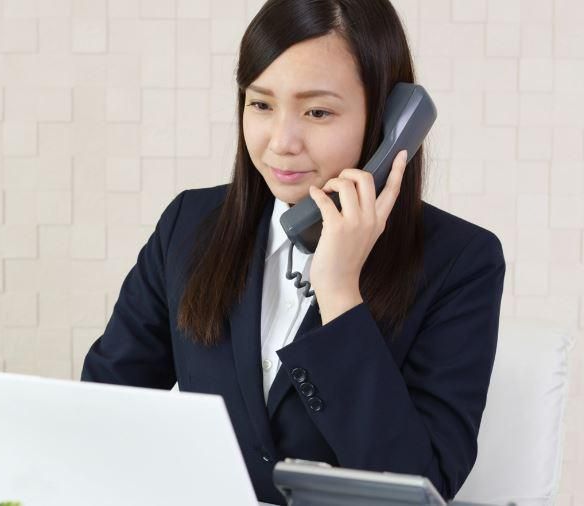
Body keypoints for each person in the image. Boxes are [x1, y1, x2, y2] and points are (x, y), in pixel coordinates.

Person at [81, 0, 506, 504]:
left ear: (388, 122)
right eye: (261, 104)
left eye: (318, 111)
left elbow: (419, 486)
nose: (281, 142)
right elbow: (100, 414)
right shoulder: (189, 227)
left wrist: (339, 292)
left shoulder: (461, 262)